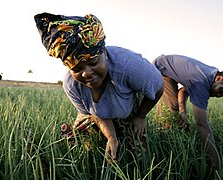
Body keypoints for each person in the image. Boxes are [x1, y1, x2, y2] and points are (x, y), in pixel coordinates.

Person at [34, 12, 164, 161]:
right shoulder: (71, 85)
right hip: (96, 113)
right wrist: (111, 137)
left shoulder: (131, 67)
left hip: (128, 100)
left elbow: (159, 87)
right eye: (77, 69)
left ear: (103, 52)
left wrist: (140, 116)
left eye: (93, 63)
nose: (86, 74)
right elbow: (95, 114)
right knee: (83, 145)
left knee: (137, 152)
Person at [153, 54, 223, 179]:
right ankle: (162, 154)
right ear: (219, 79)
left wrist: (183, 112)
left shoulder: (210, 75)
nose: (219, 95)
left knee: (178, 115)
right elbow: (202, 125)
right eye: (222, 90)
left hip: (167, 68)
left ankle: (169, 143)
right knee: (171, 114)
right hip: (159, 70)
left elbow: (183, 90)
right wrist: (219, 168)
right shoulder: (201, 81)